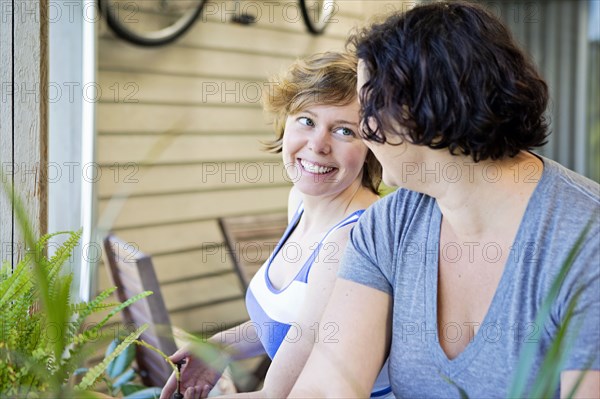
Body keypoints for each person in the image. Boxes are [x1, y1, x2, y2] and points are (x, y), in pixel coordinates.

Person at [288, 2, 600, 398]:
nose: (364, 134)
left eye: (369, 108)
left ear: (421, 110)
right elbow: (327, 389)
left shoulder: (586, 242)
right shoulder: (388, 226)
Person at [159, 51, 393, 399]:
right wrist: (221, 346)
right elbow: (291, 322)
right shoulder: (299, 201)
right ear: (285, 121)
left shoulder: (351, 238)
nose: (318, 145)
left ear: (371, 148)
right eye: (307, 120)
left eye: (344, 131)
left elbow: (277, 396)